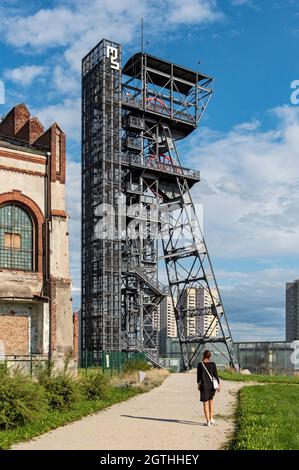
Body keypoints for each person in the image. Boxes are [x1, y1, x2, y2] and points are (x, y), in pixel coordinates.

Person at [197, 350, 220, 426]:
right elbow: (216, 375)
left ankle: (208, 422)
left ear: (203, 355)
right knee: (211, 402)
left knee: (205, 404)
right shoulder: (213, 364)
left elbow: (199, 376)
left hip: (204, 386)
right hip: (211, 386)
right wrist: (218, 385)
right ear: (210, 356)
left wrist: (198, 384)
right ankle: (211, 418)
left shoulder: (200, 365)